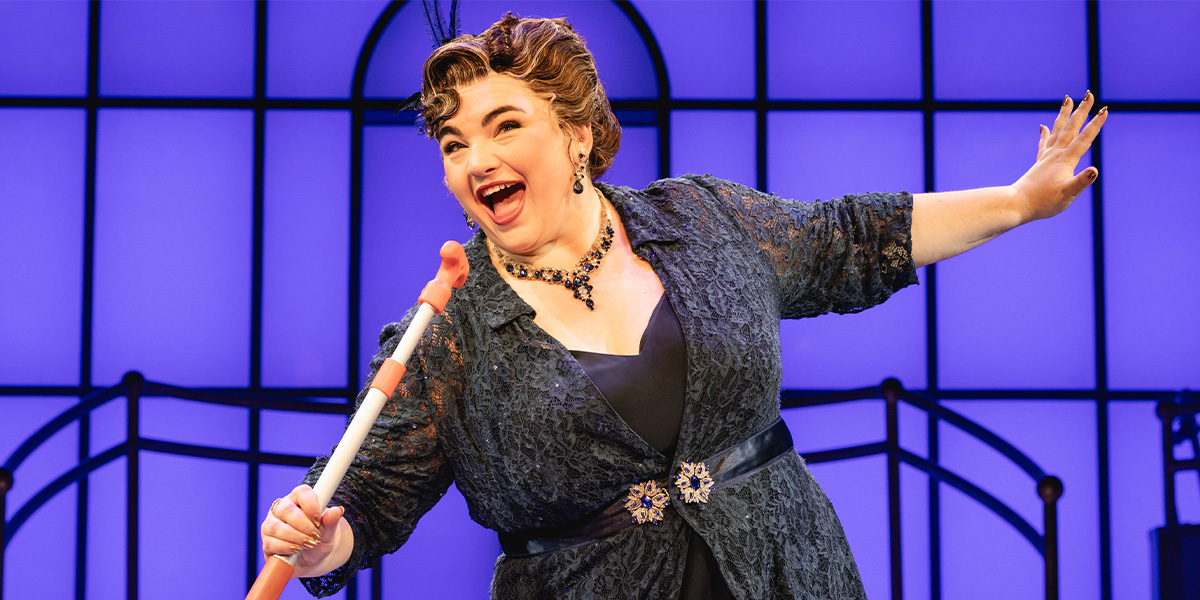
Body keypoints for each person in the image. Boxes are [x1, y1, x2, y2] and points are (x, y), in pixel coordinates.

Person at [259, 13, 1106, 599]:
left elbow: (851, 237)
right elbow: (364, 502)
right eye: (454, 144)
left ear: (576, 134)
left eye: (503, 125)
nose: (475, 159)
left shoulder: (698, 220)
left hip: (787, 573)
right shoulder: (449, 329)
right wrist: (319, 539)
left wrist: (1019, 201)